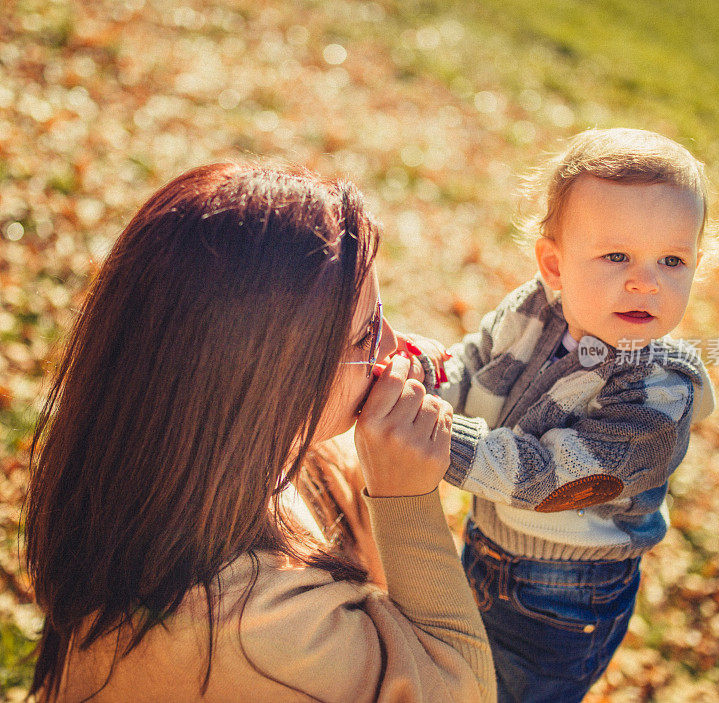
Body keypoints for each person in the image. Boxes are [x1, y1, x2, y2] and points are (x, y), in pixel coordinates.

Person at [23, 163, 496, 702]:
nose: (395, 347)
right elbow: (462, 691)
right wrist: (406, 499)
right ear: (269, 380)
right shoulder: (256, 631)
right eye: (368, 334)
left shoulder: (143, 461)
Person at [407, 128, 716, 702]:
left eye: (672, 260)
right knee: (455, 681)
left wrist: (432, 437)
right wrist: (421, 380)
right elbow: (473, 369)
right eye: (617, 254)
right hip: (485, 547)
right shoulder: (533, 310)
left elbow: (553, 478)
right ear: (554, 264)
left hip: (567, 597)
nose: (645, 280)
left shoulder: (659, 393)